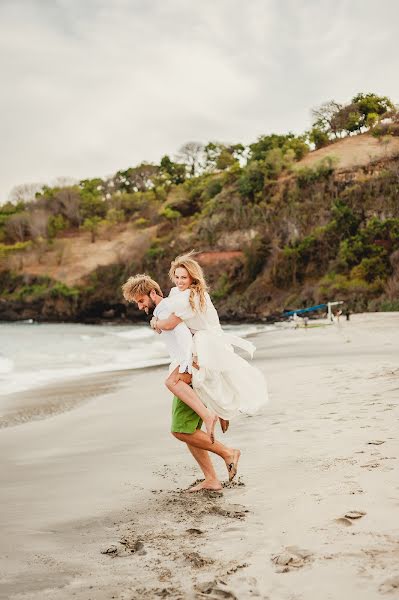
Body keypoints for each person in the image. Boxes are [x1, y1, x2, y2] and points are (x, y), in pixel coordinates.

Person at [121, 274, 240, 491]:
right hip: (188, 366)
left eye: (141, 300)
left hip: (188, 369)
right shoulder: (164, 310)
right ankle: (211, 478)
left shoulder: (166, 308)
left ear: (153, 293)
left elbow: (184, 335)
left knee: (180, 429)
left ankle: (227, 452)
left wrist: (188, 363)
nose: (139, 306)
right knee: (187, 431)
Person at [150, 251, 268, 421]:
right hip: (193, 339)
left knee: (209, 381)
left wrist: (155, 323)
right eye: (177, 277)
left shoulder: (195, 295)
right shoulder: (176, 292)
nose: (179, 281)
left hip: (205, 340)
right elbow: (168, 315)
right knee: (206, 381)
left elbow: (170, 323)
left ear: (193, 278)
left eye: (184, 277)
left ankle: (217, 415)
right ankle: (217, 415)